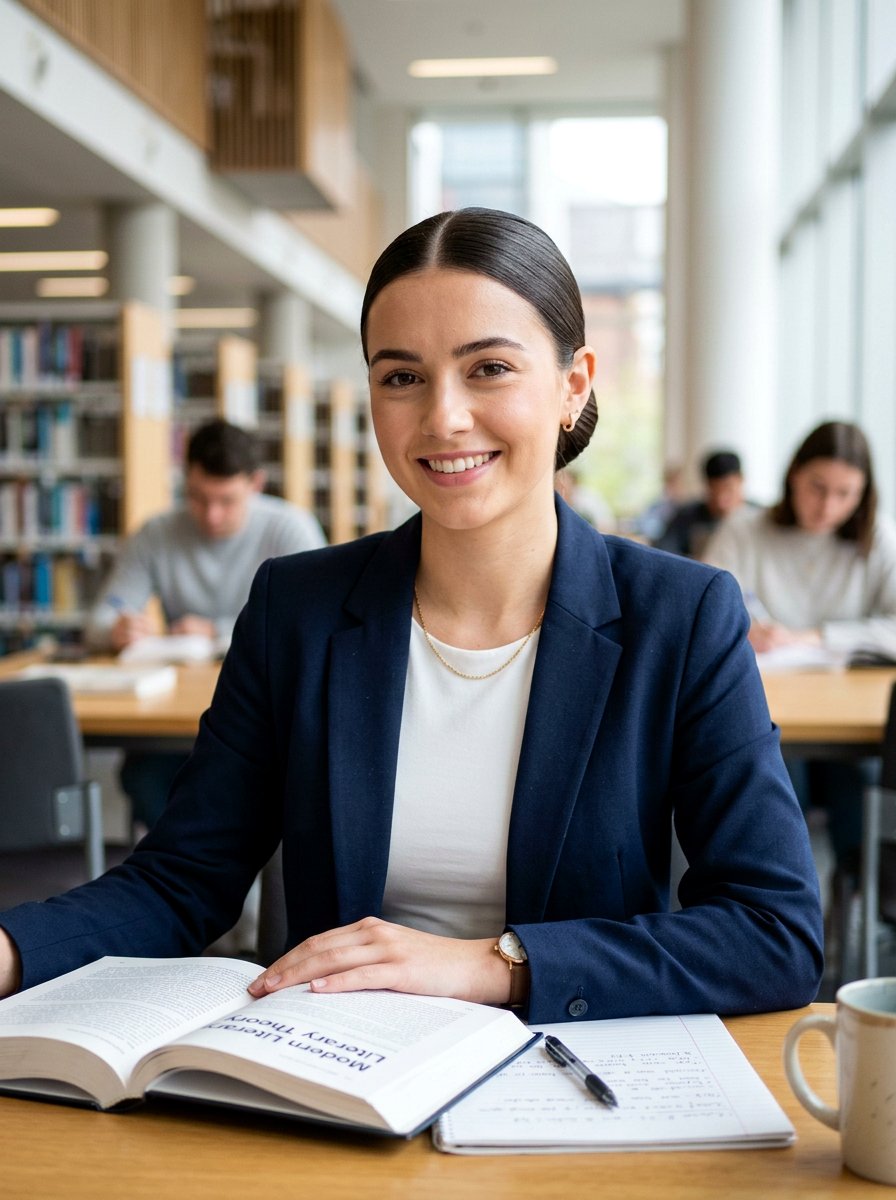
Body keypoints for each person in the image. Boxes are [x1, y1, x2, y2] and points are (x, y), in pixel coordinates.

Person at [0, 208, 822, 1021]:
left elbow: (772, 932)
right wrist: (11, 951)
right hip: (339, 1076)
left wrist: (495, 966)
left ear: (573, 386)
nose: (443, 418)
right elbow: (182, 882)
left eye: (489, 368)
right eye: (402, 377)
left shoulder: (680, 617)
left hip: (574, 1077)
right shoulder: (299, 609)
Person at [86, 418, 326, 827]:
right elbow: (98, 621)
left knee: (264, 783)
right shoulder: (157, 534)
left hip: (260, 708)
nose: (211, 515)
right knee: (147, 780)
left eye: (227, 501)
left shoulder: (288, 528)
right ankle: (186, 879)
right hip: (175, 711)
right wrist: (117, 628)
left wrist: (216, 631)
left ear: (256, 484)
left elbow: (316, 624)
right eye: (198, 497)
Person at [703, 419, 896, 874]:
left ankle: (854, 895)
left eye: (845, 493)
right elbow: (702, 612)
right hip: (768, 711)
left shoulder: (879, 538)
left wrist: (817, 636)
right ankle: (789, 892)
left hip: (852, 717)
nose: (828, 506)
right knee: (778, 777)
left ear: (864, 493)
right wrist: (743, 626)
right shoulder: (743, 530)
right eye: (817, 487)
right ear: (793, 476)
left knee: (857, 783)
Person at [653, 449, 747, 558]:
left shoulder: (758, 519)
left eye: (728, 489)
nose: (721, 500)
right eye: (714, 491)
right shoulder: (685, 517)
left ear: (741, 480)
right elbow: (664, 553)